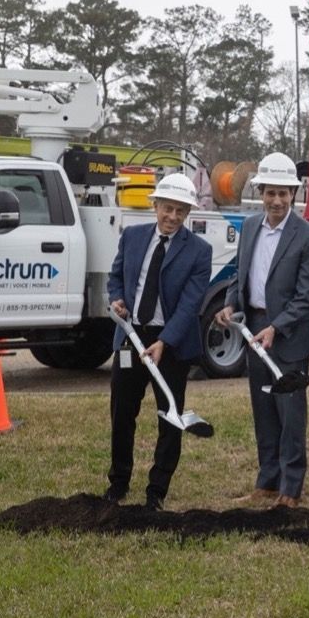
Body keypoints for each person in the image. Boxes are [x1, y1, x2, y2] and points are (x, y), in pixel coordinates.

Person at [216, 152, 309, 509]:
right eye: (270, 192)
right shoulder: (249, 227)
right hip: (254, 329)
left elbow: (308, 293)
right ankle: (267, 481)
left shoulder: (308, 236)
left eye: (284, 193)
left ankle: (290, 489)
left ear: (294, 194)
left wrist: (277, 327)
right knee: (263, 407)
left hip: (289, 335)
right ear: (260, 191)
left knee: (290, 412)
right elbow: (240, 273)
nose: (277, 200)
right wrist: (232, 303)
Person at [105, 174, 213, 511]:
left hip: (172, 343)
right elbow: (116, 278)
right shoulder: (133, 237)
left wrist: (165, 341)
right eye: (168, 209)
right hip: (132, 337)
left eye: (181, 211)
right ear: (155, 206)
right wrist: (118, 299)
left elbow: (190, 304)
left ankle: (157, 490)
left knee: (170, 416)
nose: (173, 217)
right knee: (122, 413)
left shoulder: (199, 251)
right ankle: (118, 483)